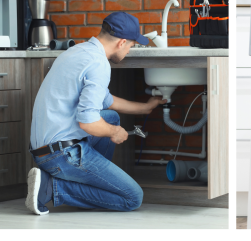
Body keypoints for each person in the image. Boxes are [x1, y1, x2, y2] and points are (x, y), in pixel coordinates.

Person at [25, 12, 167, 215]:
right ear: (122, 42)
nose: (129, 51)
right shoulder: (99, 64)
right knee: (132, 197)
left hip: (43, 149)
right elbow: (88, 123)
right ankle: (50, 188)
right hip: (60, 155)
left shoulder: (79, 52)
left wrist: (145, 107)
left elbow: (107, 101)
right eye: (131, 46)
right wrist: (114, 132)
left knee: (111, 117)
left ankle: (90, 181)